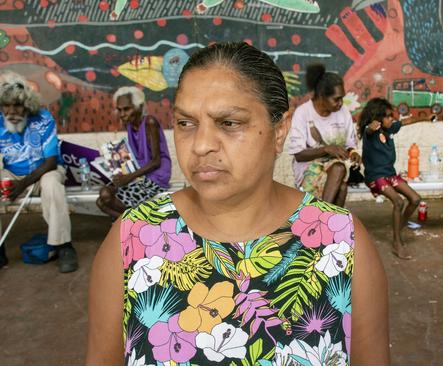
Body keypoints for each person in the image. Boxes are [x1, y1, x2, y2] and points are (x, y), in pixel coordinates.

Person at [87, 42, 389, 365]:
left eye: (229, 123)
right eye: (186, 123)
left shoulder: (343, 244)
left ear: (279, 131)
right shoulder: (132, 241)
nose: (201, 145)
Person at [0, 72, 77, 276]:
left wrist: (22, 185)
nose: (11, 111)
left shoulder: (43, 119)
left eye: (17, 105)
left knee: (52, 184)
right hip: (12, 174)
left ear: (27, 104)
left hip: (44, 172)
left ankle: (64, 246)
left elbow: (51, 162)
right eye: (6, 106)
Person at [359, 98, 434, 259]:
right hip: (375, 176)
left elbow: (408, 120)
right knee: (398, 202)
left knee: (415, 199)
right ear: (377, 118)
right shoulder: (369, 132)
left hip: (390, 174)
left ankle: (398, 228)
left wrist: (425, 118)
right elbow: (369, 130)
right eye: (387, 116)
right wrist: (371, 126)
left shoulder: (390, 128)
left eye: (391, 115)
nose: (391, 118)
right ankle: (397, 242)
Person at [286, 63, 360, 207]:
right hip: (308, 169)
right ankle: (323, 218)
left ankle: (323, 222)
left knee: (339, 173)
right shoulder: (303, 113)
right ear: (321, 96)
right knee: (340, 178)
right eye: (336, 99)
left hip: (334, 169)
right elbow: (298, 155)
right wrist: (326, 149)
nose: (340, 103)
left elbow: (350, 144)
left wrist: (353, 153)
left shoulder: (343, 112)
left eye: (342, 98)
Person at [96, 86, 171, 217]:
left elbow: (156, 161)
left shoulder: (150, 122)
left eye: (127, 109)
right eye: (119, 110)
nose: (122, 114)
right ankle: (137, 225)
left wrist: (129, 177)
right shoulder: (129, 124)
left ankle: (136, 225)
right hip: (139, 174)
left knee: (106, 198)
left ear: (139, 107)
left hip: (155, 176)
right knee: (101, 200)